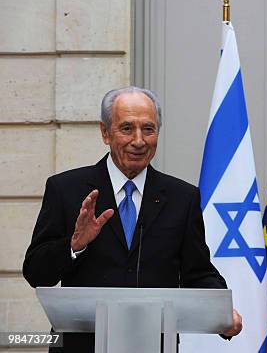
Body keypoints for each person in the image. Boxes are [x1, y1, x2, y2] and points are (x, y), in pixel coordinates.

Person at [23, 87, 242, 352]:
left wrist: (222, 311)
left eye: (148, 129)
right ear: (105, 132)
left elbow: (198, 272)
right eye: (126, 129)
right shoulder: (66, 189)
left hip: (154, 345)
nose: (139, 140)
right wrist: (73, 246)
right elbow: (35, 272)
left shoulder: (182, 198)